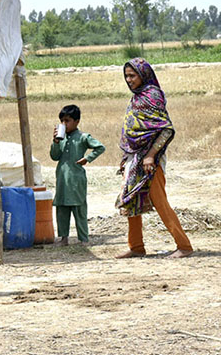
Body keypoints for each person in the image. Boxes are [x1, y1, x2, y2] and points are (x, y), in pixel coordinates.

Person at [115, 58, 193, 259]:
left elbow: (165, 130)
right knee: (131, 200)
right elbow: (132, 130)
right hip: (135, 158)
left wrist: (150, 156)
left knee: (159, 200)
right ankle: (136, 247)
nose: (129, 80)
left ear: (144, 74)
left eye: (132, 75)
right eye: (126, 76)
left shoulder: (152, 96)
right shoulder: (136, 97)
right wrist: (127, 158)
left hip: (152, 160)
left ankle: (184, 245)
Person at [49, 104, 105, 246]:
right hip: (62, 179)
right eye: (62, 121)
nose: (64, 124)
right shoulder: (61, 138)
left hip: (76, 179)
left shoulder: (83, 137)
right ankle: (63, 238)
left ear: (77, 121)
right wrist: (55, 142)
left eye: (67, 121)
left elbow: (100, 147)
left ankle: (83, 238)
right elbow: (54, 157)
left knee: (79, 208)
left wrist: (87, 158)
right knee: (61, 209)